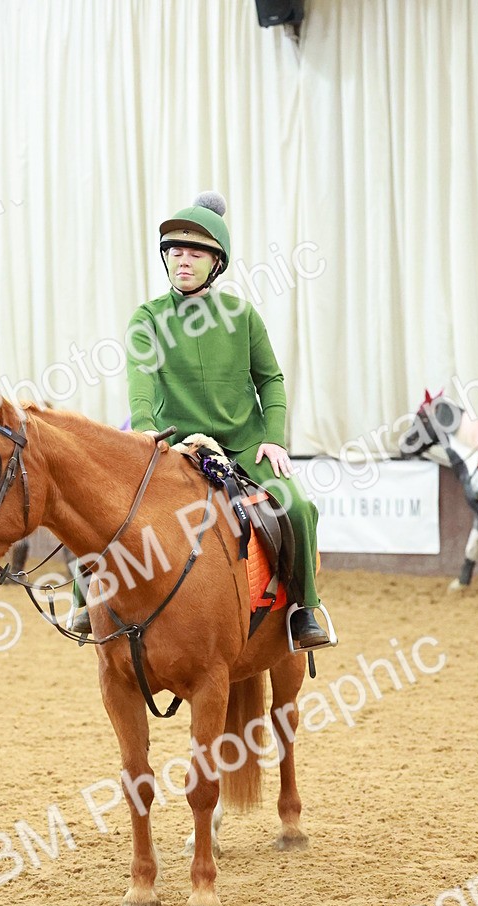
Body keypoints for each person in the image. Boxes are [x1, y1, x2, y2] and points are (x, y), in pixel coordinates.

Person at [122, 191, 332, 650]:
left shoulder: (243, 315)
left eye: (196, 252)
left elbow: (271, 380)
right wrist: (143, 425)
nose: (183, 260)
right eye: (175, 251)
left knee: (296, 505)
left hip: (242, 445)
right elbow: (140, 375)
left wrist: (273, 439)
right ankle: (90, 600)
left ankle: (304, 609)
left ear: (216, 263)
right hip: (177, 446)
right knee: (108, 507)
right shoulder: (148, 318)